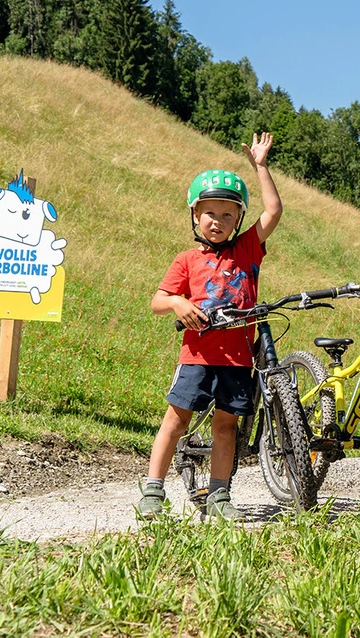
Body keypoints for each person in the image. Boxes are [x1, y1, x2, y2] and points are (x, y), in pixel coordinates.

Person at [135, 132, 281, 522]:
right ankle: (152, 489)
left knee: (226, 427)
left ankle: (219, 495)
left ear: (238, 221)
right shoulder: (186, 259)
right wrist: (179, 302)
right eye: (210, 213)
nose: (218, 221)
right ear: (196, 216)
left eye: (228, 214)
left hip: (236, 359)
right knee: (177, 419)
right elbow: (157, 301)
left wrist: (261, 167)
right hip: (197, 354)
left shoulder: (248, 249)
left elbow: (273, 211)